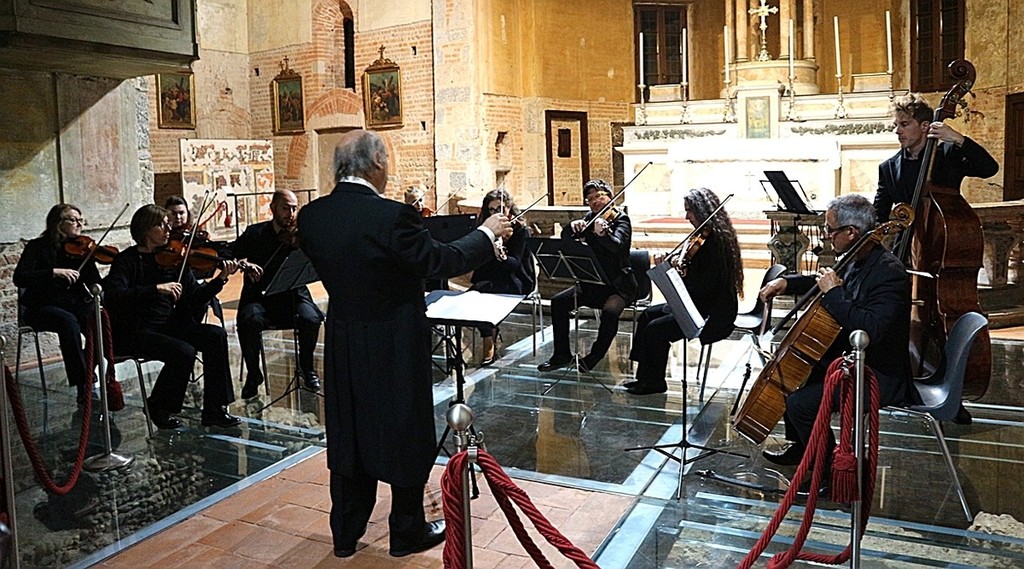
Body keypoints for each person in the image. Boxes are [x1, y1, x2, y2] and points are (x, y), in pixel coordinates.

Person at [298, 130, 510, 558]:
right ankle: (407, 529)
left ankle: (345, 532)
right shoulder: (393, 216)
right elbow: (440, 261)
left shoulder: (312, 216)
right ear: (377, 162)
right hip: (394, 339)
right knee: (403, 429)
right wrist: (487, 233)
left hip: (343, 336)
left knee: (349, 430)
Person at [759, 194, 911, 495]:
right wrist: (788, 282)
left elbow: (869, 330)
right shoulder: (858, 258)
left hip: (879, 374)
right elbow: (825, 280)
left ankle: (827, 468)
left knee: (800, 404)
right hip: (853, 361)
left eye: (831, 230)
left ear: (851, 232)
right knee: (792, 375)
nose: (827, 236)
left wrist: (834, 295)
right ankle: (804, 448)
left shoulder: (889, 273)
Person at [103, 205, 241, 429]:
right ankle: (158, 405)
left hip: (169, 326)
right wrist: (156, 289)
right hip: (136, 330)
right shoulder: (126, 260)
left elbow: (195, 297)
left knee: (215, 335)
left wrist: (220, 280)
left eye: (168, 224)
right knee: (183, 351)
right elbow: (114, 296)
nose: (168, 229)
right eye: (161, 225)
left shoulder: (175, 259)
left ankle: (215, 409)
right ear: (145, 229)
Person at [626, 188, 744, 395]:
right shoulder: (703, 237)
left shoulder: (715, 243)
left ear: (701, 210)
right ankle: (643, 376)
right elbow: (695, 274)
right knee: (647, 315)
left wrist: (676, 276)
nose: (687, 216)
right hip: (698, 303)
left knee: (655, 330)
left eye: (690, 211)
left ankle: (655, 382)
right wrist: (674, 265)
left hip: (711, 312)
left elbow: (704, 287)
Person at [229, 190, 324, 399]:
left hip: (293, 294)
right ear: (273, 208)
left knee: (312, 318)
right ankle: (254, 374)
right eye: (285, 208)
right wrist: (244, 264)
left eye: (294, 208)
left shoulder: (300, 235)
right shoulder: (255, 233)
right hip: (260, 298)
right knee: (248, 320)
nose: (291, 214)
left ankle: (307, 368)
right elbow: (230, 254)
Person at [537, 179, 637, 373]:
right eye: (590, 199)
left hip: (618, 286)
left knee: (610, 312)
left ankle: (595, 356)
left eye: (599, 196)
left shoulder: (621, 220)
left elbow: (617, 246)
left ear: (610, 197)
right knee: (558, 302)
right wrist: (571, 227)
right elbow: (567, 240)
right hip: (594, 283)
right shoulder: (590, 218)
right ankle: (561, 355)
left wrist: (603, 234)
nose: (595, 201)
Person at [13, 204, 102, 404]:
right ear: (58, 223)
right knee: (68, 322)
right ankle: (83, 384)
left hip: (74, 304)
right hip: (41, 307)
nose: (79, 224)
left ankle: (88, 369)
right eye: (73, 220)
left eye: (81, 220)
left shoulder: (83, 248)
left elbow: (95, 281)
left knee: (99, 322)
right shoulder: (37, 247)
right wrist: (53, 272)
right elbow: (20, 278)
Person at [874, 92, 999, 224]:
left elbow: (989, 169)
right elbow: (879, 214)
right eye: (896, 125)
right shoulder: (888, 168)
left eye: (904, 124)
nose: (897, 131)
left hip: (947, 232)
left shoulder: (948, 154)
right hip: (906, 237)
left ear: (924, 126)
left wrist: (959, 139)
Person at [469, 189, 535, 365]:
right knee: (473, 296)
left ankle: (488, 341)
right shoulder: (484, 230)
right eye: (491, 210)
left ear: (509, 208)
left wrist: (502, 255)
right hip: (490, 277)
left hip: (515, 279)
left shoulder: (520, 230)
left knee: (484, 296)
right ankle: (489, 335)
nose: (496, 214)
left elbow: (515, 264)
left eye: (500, 209)